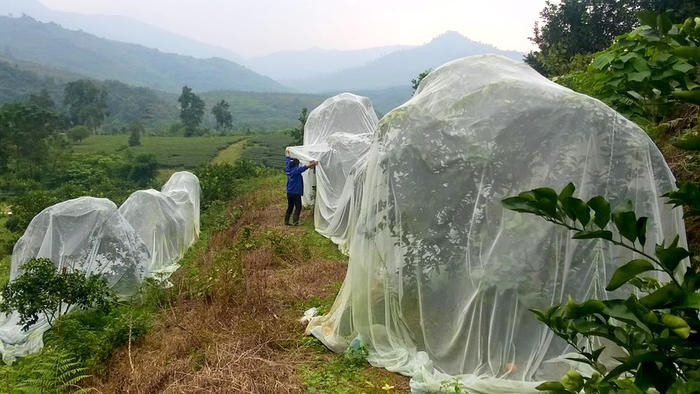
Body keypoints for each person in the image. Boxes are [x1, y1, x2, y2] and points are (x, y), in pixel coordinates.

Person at [284, 149, 318, 225]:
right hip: (296, 192)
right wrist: (313, 163)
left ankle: (286, 221)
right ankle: (295, 222)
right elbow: (304, 167)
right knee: (298, 207)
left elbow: (287, 162)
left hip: (289, 191)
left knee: (290, 206)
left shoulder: (288, 169)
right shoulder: (296, 170)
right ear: (296, 165)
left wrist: (287, 156)